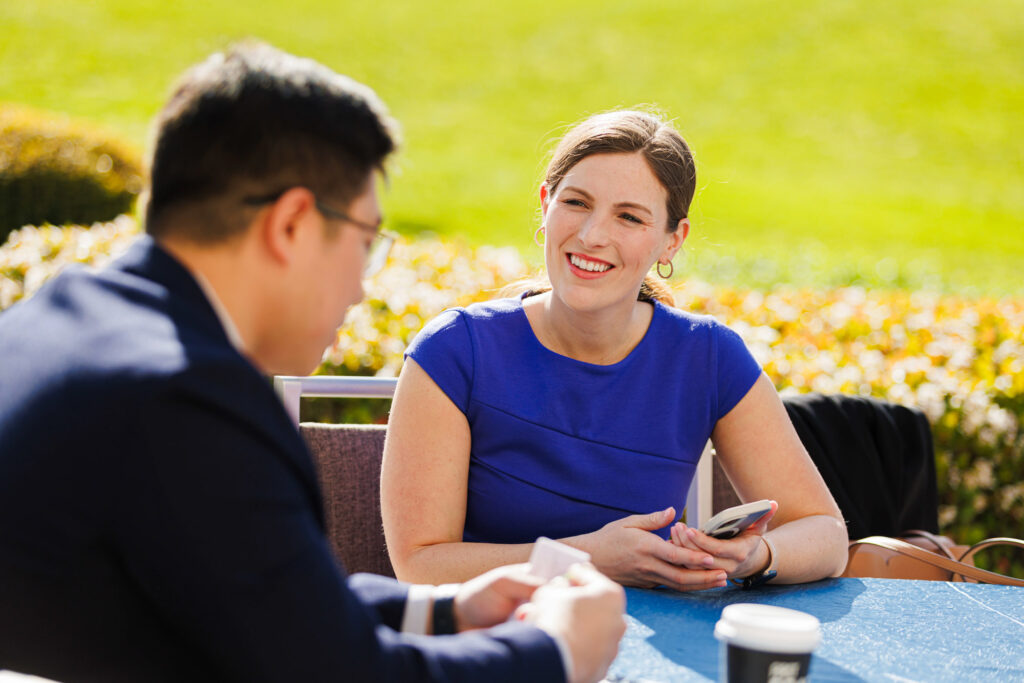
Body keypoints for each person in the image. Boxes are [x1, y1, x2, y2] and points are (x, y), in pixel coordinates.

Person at [0, 43, 625, 683]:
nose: (359, 288)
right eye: (365, 243)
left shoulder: (50, 319)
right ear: (293, 224)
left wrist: (442, 612)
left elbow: (251, 593)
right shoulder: (190, 402)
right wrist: (556, 653)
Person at [381, 110, 849, 591]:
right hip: (495, 632)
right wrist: (585, 560)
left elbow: (826, 534)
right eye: (576, 202)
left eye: (629, 217)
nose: (592, 235)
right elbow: (420, 565)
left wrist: (754, 555)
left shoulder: (707, 357)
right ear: (545, 205)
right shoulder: (455, 350)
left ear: (672, 241)